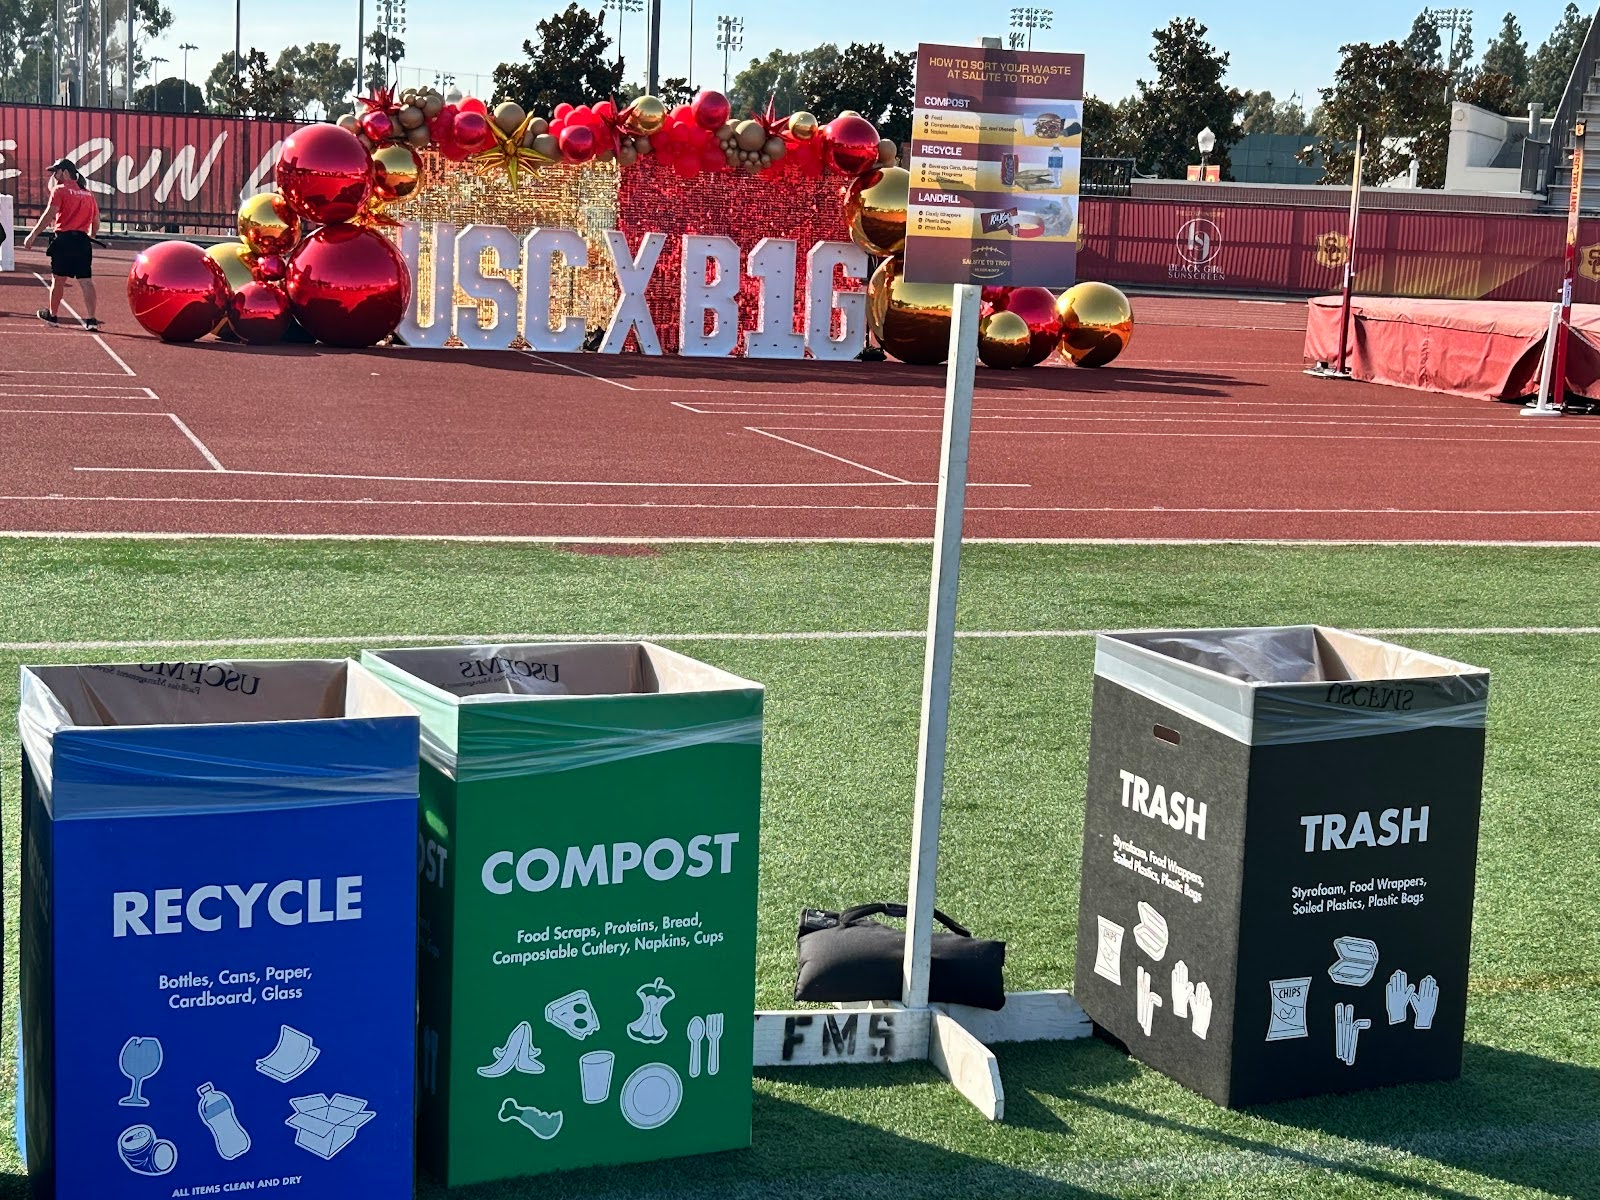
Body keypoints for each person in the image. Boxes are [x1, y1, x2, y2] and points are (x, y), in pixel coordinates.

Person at [22, 157, 101, 330]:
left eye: (56, 172)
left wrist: (33, 234)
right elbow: (96, 221)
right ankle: (91, 319)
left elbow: (49, 215)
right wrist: (91, 235)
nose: (54, 176)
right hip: (82, 241)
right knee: (86, 281)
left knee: (58, 279)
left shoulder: (60, 190)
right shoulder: (88, 194)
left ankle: (53, 316)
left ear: (65, 172)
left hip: (64, 240)